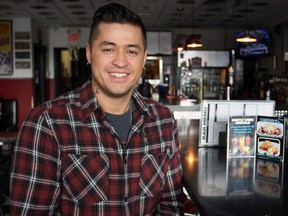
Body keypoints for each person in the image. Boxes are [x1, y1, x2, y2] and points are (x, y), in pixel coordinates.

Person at [10, 3, 187, 215]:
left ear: (143, 58)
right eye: (108, 49)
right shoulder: (47, 123)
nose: (120, 62)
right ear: (89, 53)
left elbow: (172, 205)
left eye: (131, 51)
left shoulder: (163, 121)